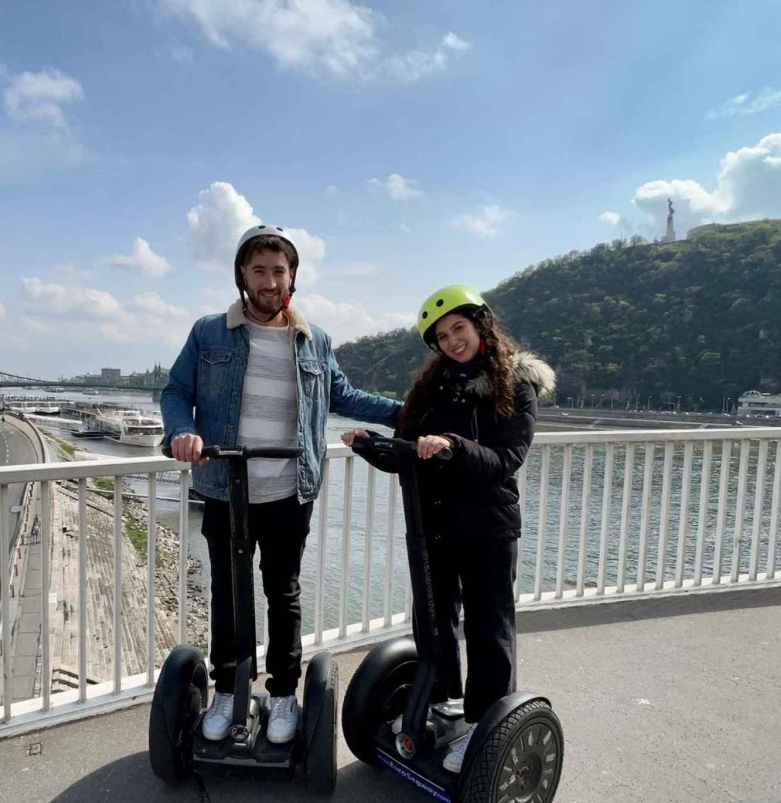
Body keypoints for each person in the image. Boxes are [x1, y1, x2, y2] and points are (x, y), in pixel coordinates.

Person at [161, 223, 401, 745]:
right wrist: (182, 430)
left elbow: (346, 397)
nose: (270, 281)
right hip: (226, 487)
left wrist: (409, 414)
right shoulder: (209, 332)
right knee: (228, 592)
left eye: (279, 271)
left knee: (283, 593)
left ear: (292, 276)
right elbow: (177, 391)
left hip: (291, 489)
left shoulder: (314, 340)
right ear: (243, 275)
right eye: (259, 271)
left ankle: (286, 693)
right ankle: (228, 689)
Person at [342, 285, 554, 774]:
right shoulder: (432, 389)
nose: (452, 340)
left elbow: (506, 459)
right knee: (434, 619)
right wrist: (369, 445)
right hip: (434, 526)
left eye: (459, 327)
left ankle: (484, 724)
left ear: (481, 324)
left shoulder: (514, 386)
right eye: (441, 336)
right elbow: (408, 454)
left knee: (488, 626)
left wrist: (454, 447)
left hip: (488, 528)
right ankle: (441, 705)